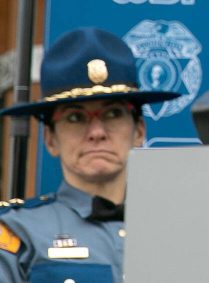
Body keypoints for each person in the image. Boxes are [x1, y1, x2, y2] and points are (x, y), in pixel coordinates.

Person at [0, 27, 180, 282]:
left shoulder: (180, 228)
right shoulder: (17, 232)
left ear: (139, 131)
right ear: (50, 139)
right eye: (75, 117)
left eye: (113, 113)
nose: (97, 132)